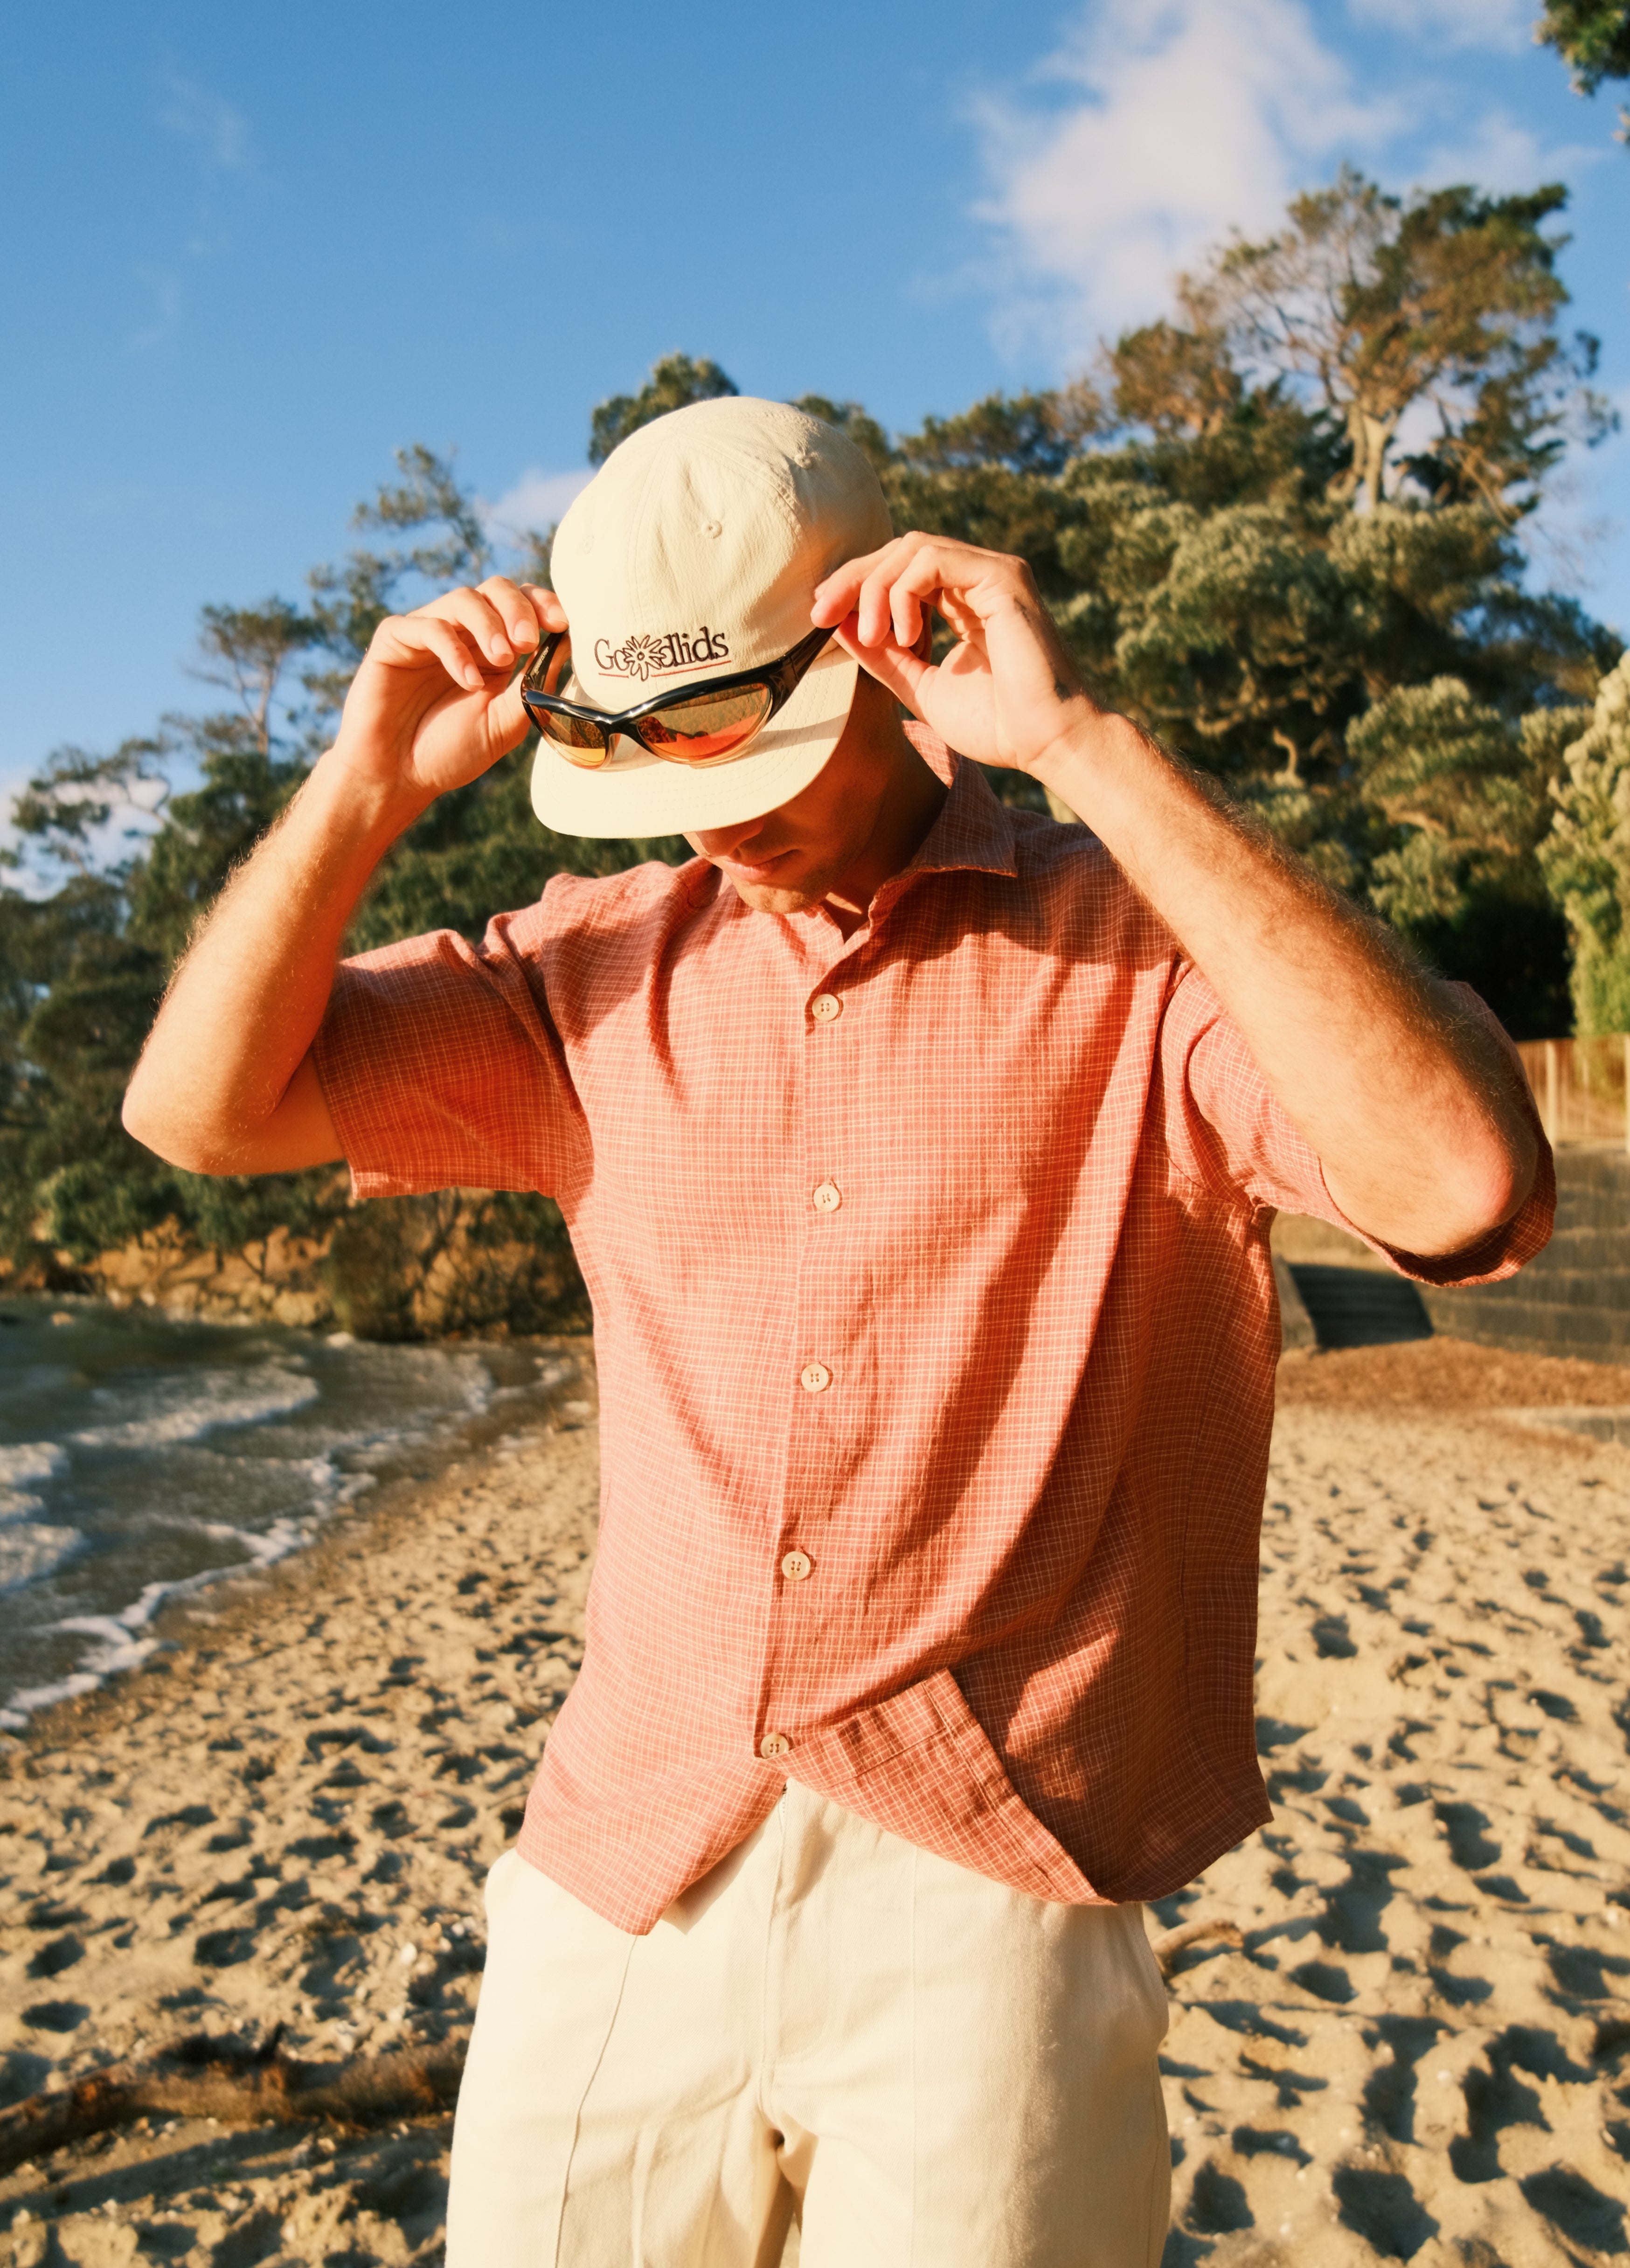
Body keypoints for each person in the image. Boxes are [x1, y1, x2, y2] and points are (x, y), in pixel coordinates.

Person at [124, 397, 1550, 2268]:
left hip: (998, 1879)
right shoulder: (585, 967)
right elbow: (201, 1116)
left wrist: (1082, 747)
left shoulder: (1140, 955)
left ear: (890, 646)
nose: (721, 814)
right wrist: (361, 788)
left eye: (759, 747)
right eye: (665, 763)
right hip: (625, 1858)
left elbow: (1463, 1190)